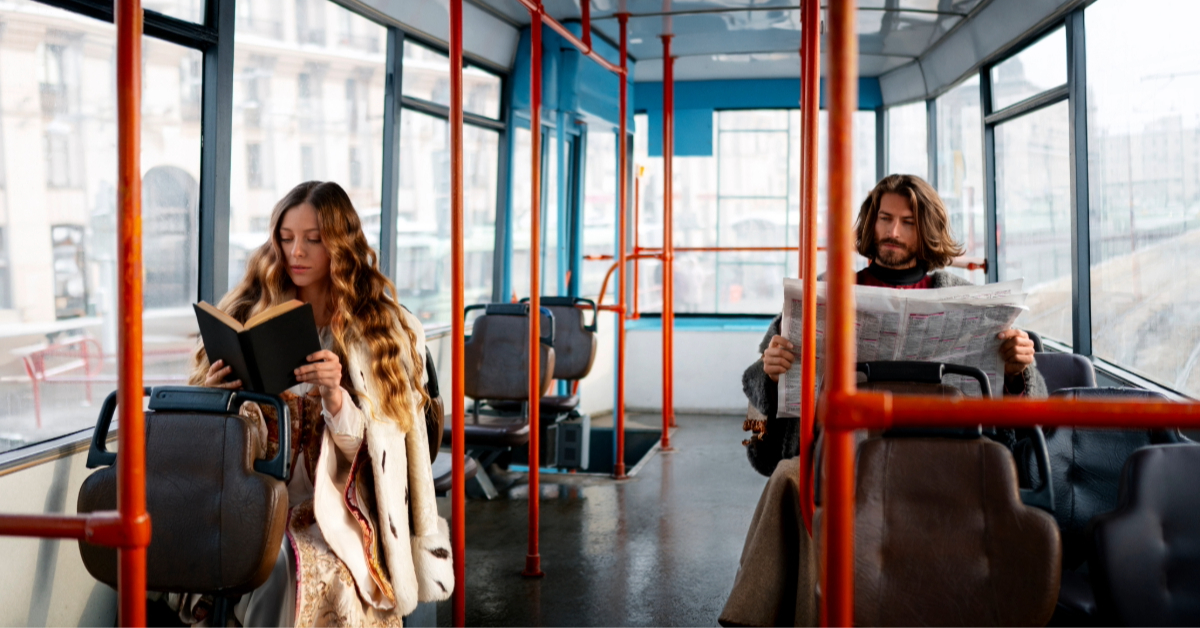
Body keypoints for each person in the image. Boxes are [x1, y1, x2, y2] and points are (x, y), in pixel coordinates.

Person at [719, 174, 1046, 627]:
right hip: (843, 455)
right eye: (886, 219)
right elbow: (753, 435)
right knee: (788, 477)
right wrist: (768, 379)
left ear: (926, 229)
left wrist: (1018, 371)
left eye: (908, 223)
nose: (893, 233)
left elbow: (1033, 418)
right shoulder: (821, 296)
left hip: (941, 457)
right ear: (870, 224)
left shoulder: (970, 302)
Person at [178, 181, 453, 626]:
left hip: (340, 503)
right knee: (242, 553)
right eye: (286, 239)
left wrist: (335, 395)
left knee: (283, 564)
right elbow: (206, 442)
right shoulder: (249, 310)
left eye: (313, 239)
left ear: (340, 244)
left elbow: (377, 460)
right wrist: (216, 396)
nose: (296, 253)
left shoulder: (378, 332)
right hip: (253, 492)